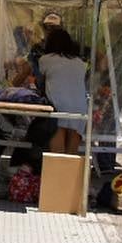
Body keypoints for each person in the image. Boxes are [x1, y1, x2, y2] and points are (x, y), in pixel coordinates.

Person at [41, 26, 90, 156]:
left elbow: (41, 81)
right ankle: (69, 175)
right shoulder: (80, 62)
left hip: (57, 107)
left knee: (57, 153)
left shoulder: (45, 60)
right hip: (80, 107)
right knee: (71, 154)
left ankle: (57, 175)